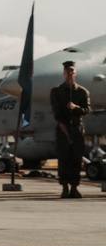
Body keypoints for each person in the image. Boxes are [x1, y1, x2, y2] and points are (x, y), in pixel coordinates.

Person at [50, 60, 90, 200]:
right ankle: (65, 187)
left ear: (75, 73)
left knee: (76, 159)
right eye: (67, 71)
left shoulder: (82, 92)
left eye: (72, 71)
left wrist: (76, 108)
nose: (70, 74)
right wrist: (65, 130)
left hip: (77, 129)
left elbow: (87, 110)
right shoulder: (56, 91)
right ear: (64, 73)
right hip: (63, 129)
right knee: (63, 159)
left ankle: (74, 187)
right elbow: (57, 113)